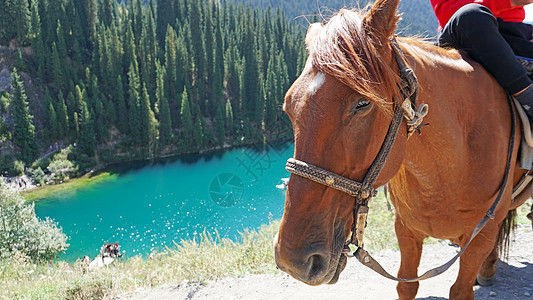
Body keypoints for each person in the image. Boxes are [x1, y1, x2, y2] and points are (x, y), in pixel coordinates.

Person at [430, 0, 533, 117]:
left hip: (513, 32)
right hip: (465, 30)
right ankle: (527, 95)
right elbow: (447, 10)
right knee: (470, 15)